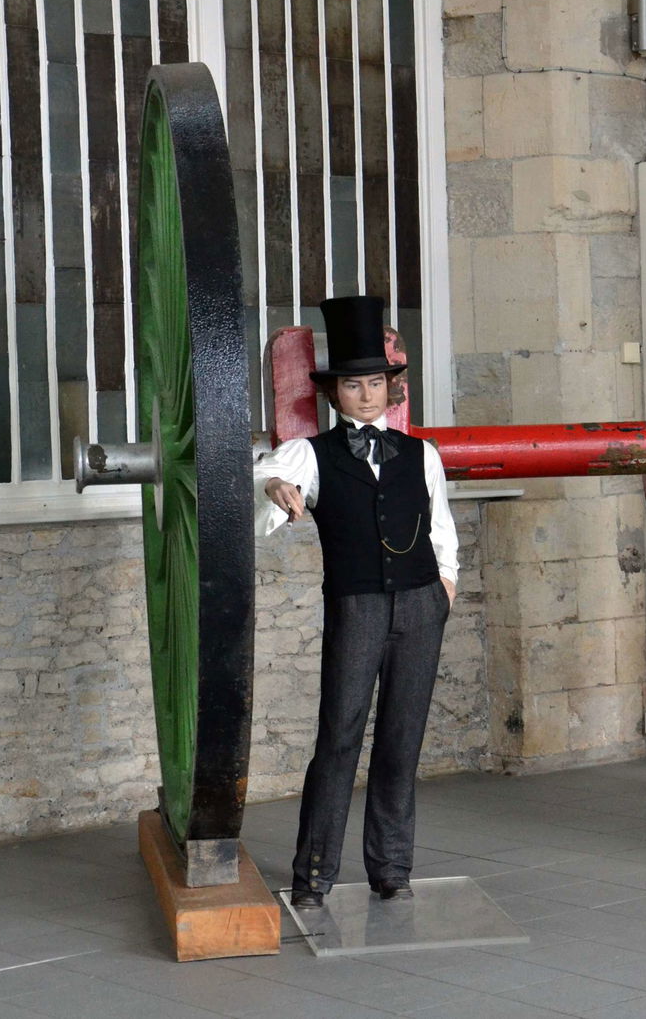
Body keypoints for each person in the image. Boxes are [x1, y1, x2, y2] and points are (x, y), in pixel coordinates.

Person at [254, 295, 457, 910]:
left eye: (375, 383)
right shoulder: (311, 454)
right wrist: (275, 485)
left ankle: (392, 868)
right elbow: (259, 473)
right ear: (333, 393)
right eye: (352, 384)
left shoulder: (421, 454)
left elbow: (442, 531)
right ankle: (314, 875)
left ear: (390, 388)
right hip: (358, 609)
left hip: (422, 606)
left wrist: (444, 589)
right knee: (339, 738)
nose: (365, 395)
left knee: (402, 739)